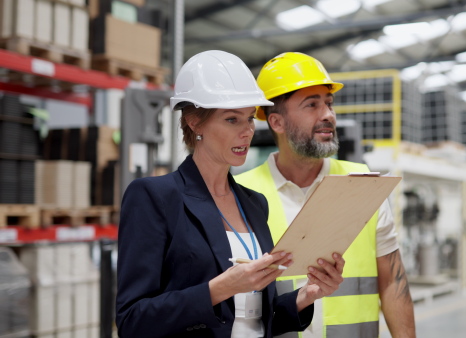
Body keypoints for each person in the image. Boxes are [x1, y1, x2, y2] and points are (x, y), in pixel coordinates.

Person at [115, 50, 345, 338]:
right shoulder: (154, 197)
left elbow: (256, 316)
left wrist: (307, 295)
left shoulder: (254, 204)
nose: (247, 131)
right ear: (194, 121)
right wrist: (219, 288)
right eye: (232, 120)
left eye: (249, 118)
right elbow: (132, 320)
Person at [235, 52, 416, 338]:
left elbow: (393, 282)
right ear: (277, 122)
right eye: (312, 105)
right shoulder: (240, 195)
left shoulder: (362, 184)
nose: (328, 115)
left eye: (329, 104)